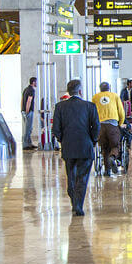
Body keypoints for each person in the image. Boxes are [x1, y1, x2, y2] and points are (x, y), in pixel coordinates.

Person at [52, 79, 99, 216]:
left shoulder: (60, 107)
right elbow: (96, 126)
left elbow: (56, 129)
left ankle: (74, 200)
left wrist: (63, 140)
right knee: (82, 177)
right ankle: (78, 205)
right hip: (85, 146)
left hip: (68, 147)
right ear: (80, 91)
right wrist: (93, 140)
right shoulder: (90, 106)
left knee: (71, 175)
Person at [91, 82, 125, 176]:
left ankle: (107, 170)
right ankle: (113, 157)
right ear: (109, 88)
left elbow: (92, 112)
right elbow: (121, 112)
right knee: (115, 145)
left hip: (100, 126)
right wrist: (120, 123)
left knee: (104, 148)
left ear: (100, 88)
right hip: (113, 125)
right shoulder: (114, 96)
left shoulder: (95, 97)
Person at [21, 77, 38, 150]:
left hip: (23, 110)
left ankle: (29, 143)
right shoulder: (31, 90)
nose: (37, 83)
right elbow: (29, 101)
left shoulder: (26, 89)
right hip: (28, 111)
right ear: (33, 82)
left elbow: (22, 100)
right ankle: (25, 145)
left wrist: (22, 109)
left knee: (28, 128)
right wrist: (27, 110)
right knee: (28, 129)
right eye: (36, 82)